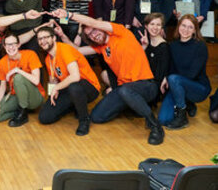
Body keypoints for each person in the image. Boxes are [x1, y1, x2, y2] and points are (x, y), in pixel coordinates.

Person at [52, 9, 164, 145]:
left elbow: (92, 22)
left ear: (101, 27)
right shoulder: (102, 48)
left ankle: (155, 126)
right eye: (89, 35)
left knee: (125, 90)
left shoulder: (120, 32)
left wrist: (69, 15)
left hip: (146, 85)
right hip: (124, 89)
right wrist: (63, 36)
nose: (94, 35)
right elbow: (77, 51)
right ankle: (131, 107)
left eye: (94, 30)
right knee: (97, 117)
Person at [36, 25, 100, 136]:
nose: (43, 41)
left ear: (54, 38)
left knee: (74, 86)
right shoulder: (48, 59)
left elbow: (75, 76)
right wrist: (52, 96)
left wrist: (57, 87)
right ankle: (74, 105)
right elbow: (53, 81)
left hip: (89, 87)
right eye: (40, 39)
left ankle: (84, 120)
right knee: (45, 117)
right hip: (68, 88)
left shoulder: (64, 49)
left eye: (46, 37)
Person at [158, 15, 211, 129]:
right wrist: (166, 77)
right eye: (183, 25)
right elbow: (170, 68)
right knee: (163, 119)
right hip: (177, 84)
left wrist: (170, 79)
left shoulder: (200, 46)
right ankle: (187, 103)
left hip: (198, 88)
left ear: (195, 30)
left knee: (173, 79)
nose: (186, 30)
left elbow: (192, 74)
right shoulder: (173, 45)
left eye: (190, 27)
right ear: (178, 26)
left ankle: (182, 117)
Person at [0, 32, 45, 127]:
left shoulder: (30, 55)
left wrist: (18, 70)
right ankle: (20, 111)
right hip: (16, 96)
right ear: (4, 46)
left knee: (18, 77)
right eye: (8, 44)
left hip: (35, 96)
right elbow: (2, 85)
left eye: (14, 44)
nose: (11, 47)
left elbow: (36, 81)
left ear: (18, 45)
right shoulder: (2, 62)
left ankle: (22, 113)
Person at [137, 13, 170, 103]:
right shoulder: (146, 42)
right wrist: (144, 47)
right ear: (146, 26)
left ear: (162, 28)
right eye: (152, 24)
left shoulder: (164, 47)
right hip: (144, 81)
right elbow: (136, 64)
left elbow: (159, 76)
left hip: (154, 86)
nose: (155, 27)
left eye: (158, 25)